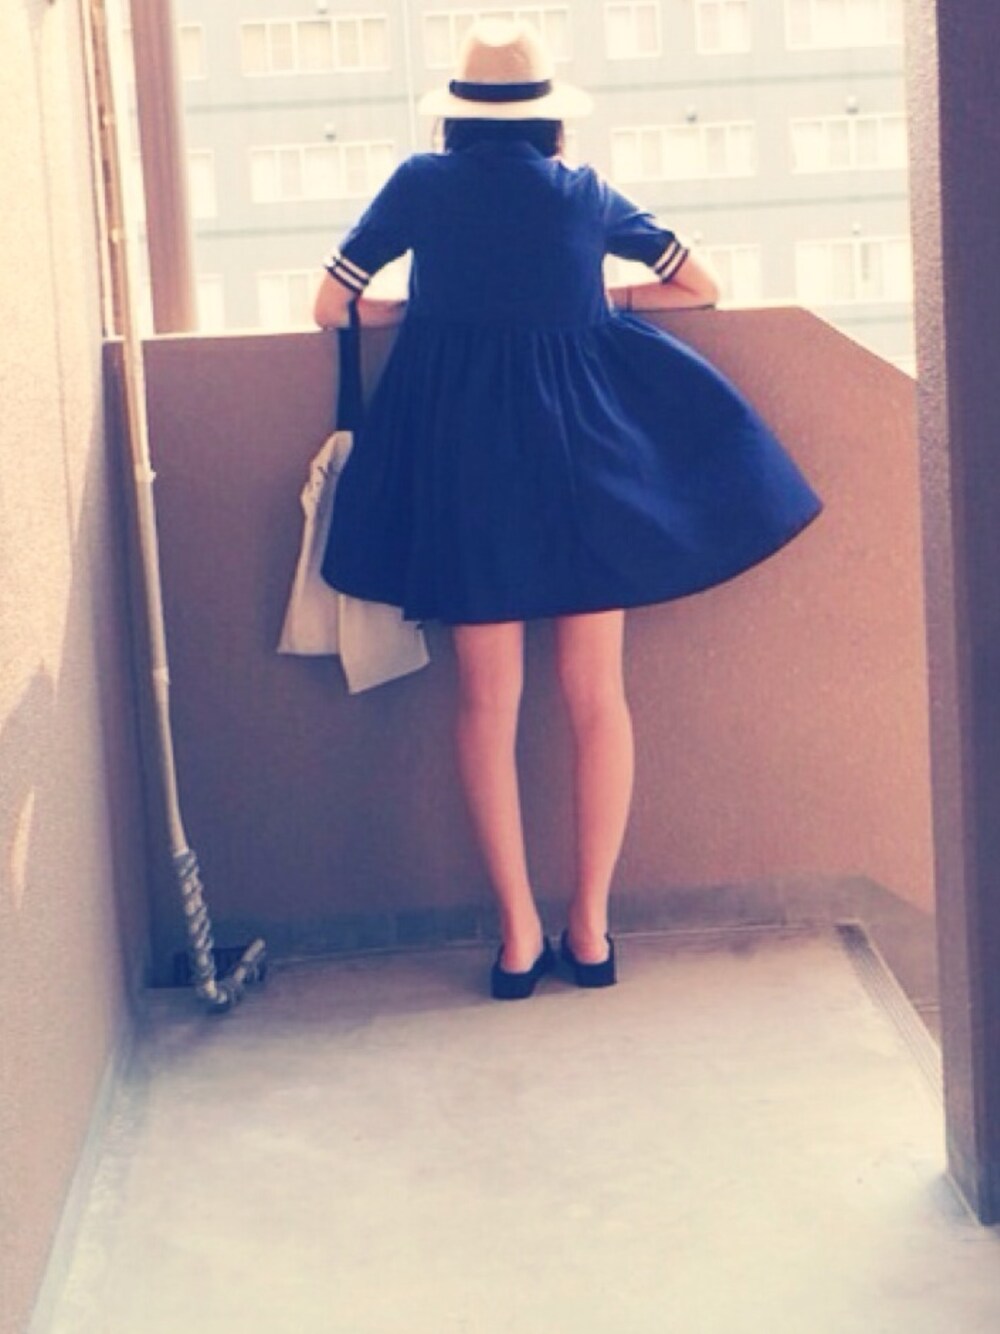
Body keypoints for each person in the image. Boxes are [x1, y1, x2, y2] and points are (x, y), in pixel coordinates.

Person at [313, 20, 822, 1000]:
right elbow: (698, 286)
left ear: (457, 117)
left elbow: (332, 307)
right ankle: (589, 931)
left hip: (464, 470)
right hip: (583, 462)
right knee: (596, 699)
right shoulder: (583, 193)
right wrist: (598, 305)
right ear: (548, 117)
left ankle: (516, 940)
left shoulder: (419, 184)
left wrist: (430, 315)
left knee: (484, 704)